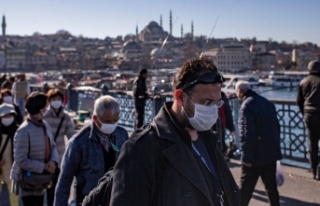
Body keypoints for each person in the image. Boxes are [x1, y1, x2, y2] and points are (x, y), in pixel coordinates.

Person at [110, 58, 239, 206]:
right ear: (180, 98)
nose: (213, 110)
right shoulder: (141, 149)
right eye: (207, 103)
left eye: (217, 103)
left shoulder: (210, 138)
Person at [54, 95, 129, 206]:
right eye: (108, 121)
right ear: (95, 118)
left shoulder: (122, 134)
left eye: (115, 120)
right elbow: (64, 180)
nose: (112, 125)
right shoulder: (79, 143)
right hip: (89, 201)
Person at [235, 81, 282, 206]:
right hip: (270, 154)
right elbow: (277, 128)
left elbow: (246, 134)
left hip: (254, 157)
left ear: (240, 92)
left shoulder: (246, 106)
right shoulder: (267, 103)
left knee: (245, 191)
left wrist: (246, 158)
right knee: (271, 188)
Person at [10, 92, 59, 206]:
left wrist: (53, 161)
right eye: (45, 106)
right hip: (28, 182)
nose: (47, 108)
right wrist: (43, 167)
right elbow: (20, 159)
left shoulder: (45, 125)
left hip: (42, 181)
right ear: (40, 109)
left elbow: (53, 146)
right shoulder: (24, 130)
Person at [43, 88, 76, 206]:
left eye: (58, 99)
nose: (56, 101)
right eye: (53, 99)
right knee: (45, 185)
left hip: (60, 155)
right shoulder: (44, 116)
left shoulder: (66, 117)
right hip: (45, 155)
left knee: (58, 184)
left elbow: (72, 135)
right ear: (49, 101)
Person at [297, 60, 320, 180]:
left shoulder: (303, 82)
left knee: (312, 144)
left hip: (309, 115)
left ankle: (314, 171)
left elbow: (299, 101)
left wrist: (304, 112)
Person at [0, 104, 19, 206]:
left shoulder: (18, 130)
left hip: (12, 165)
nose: (8, 119)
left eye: (9, 116)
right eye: (5, 116)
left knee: (14, 193)